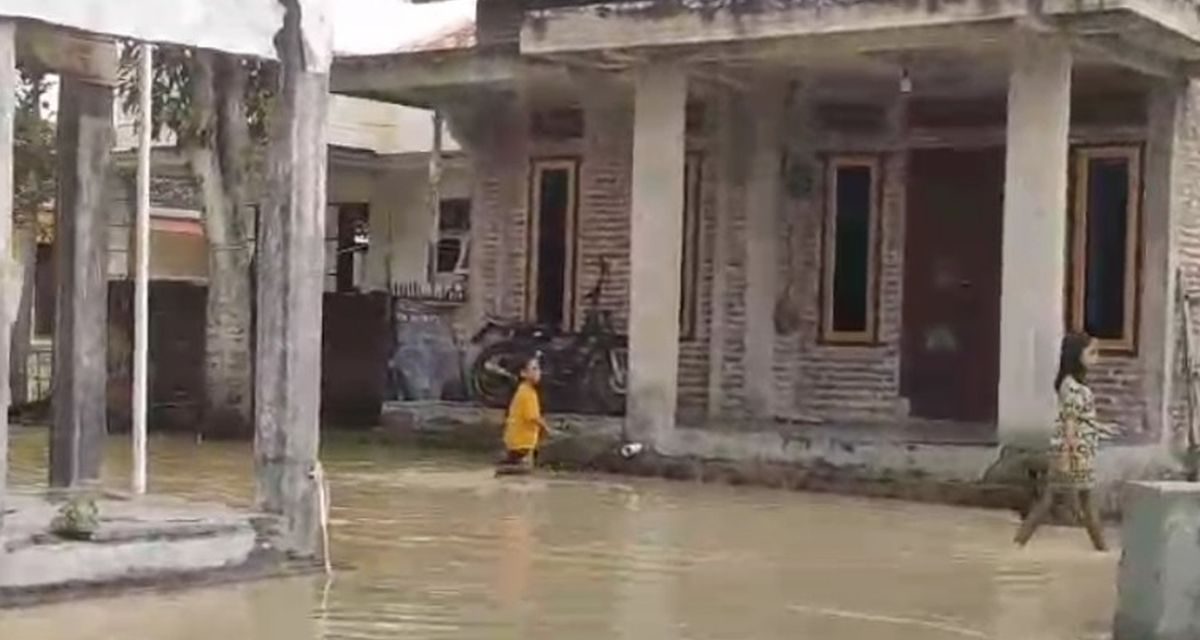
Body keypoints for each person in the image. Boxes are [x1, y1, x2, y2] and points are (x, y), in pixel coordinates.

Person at [1014, 332, 1117, 551]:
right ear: (1077, 356)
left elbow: (1081, 419)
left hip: (1078, 452)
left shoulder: (1075, 386)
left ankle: (1019, 543)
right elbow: (1070, 422)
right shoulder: (1072, 387)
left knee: (1056, 500)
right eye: (1092, 352)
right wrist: (1067, 455)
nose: (1096, 357)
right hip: (1075, 454)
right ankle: (1102, 549)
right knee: (1074, 502)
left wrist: (1100, 428)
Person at [497, 355, 547, 474]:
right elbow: (533, 417)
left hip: (514, 441)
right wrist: (546, 428)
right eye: (534, 369)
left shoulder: (522, 390)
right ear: (523, 373)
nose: (538, 372)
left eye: (538, 369)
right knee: (525, 473)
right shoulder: (528, 393)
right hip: (523, 442)